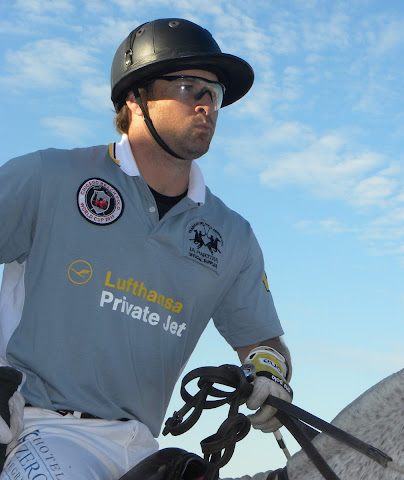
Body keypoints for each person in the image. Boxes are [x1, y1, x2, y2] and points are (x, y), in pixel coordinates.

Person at [0, 18, 293, 479]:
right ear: (135, 99)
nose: (206, 105)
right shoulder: (48, 177)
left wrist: (269, 372)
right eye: (189, 88)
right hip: (42, 430)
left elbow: (263, 342)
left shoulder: (232, 235)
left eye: (213, 93)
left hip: (144, 447)